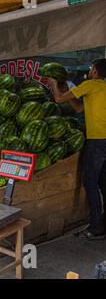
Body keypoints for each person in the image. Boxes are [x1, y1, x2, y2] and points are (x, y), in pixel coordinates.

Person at [47, 58, 106, 240]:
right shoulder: (102, 88)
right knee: (103, 183)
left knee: (90, 183)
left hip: (97, 142)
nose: (90, 70)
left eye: (91, 68)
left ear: (95, 71)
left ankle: (96, 228)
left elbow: (57, 99)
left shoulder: (91, 84)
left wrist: (54, 84)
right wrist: (68, 91)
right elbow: (80, 109)